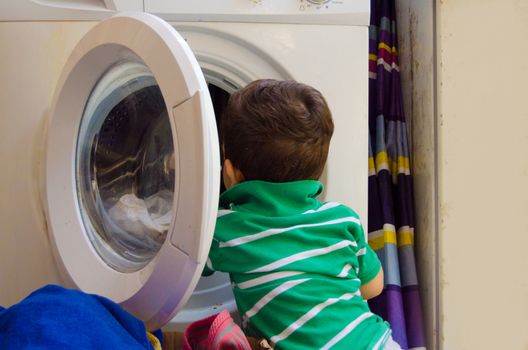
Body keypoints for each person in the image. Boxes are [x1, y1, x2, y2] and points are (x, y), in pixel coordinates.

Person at [204, 79, 400, 349]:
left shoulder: (223, 229)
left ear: (228, 172)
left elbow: (179, 262)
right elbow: (373, 286)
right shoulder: (342, 219)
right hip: (376, 343)